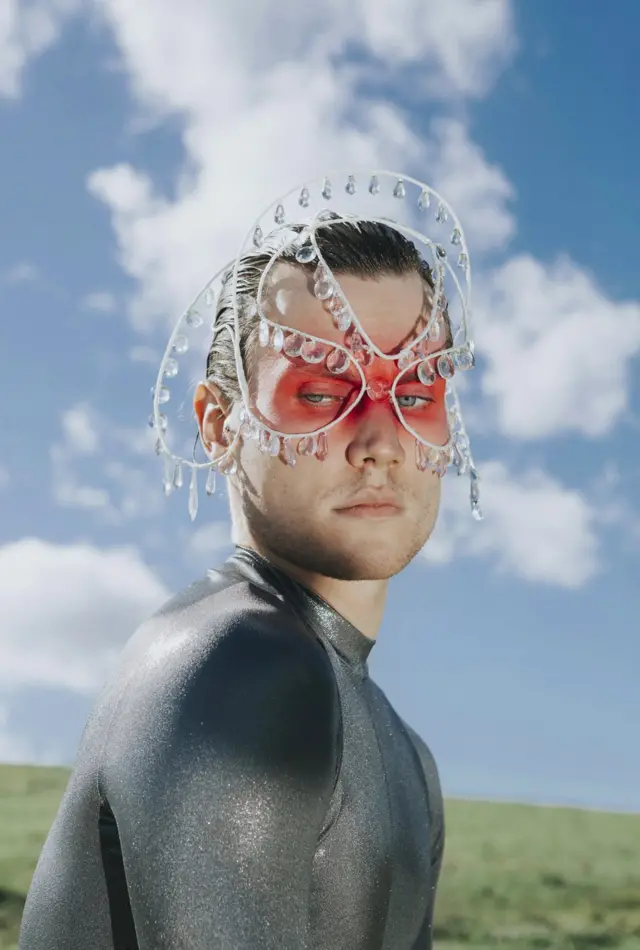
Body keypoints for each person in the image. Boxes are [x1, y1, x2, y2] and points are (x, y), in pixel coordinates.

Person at [20, 172, 481, 949]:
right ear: (216, 425)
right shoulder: (237, 666)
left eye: (415, 391)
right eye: (320, 393)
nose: (380, 442)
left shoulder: (407, 756)